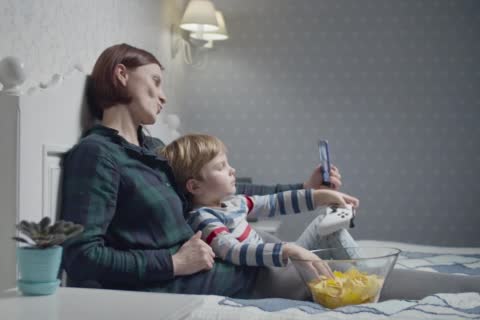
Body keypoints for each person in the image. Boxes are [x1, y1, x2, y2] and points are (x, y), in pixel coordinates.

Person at [60, 43, 480, 300]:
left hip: (241, 268)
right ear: (120, 75)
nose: (164, 95)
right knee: (352, 281)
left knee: (361, 274)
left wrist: (305, 189)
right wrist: (172, 263)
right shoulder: (97, 156)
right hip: (221, 280)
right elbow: (81, 259)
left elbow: (226, 192)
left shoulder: (153, 149)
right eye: (154, 81)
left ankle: (467, 289)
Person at [159, 133, 362, 299]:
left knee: (325, 224)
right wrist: (287, 249)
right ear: (195, 186)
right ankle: (364, 284)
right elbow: (233, 250)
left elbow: (274, 202)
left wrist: (318, 196)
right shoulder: (204, 219)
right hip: (270, 278)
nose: (232, 170)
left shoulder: (234, 202)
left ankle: (364, 279)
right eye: (221, 167)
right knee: (326, 275)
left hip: (280, 265)